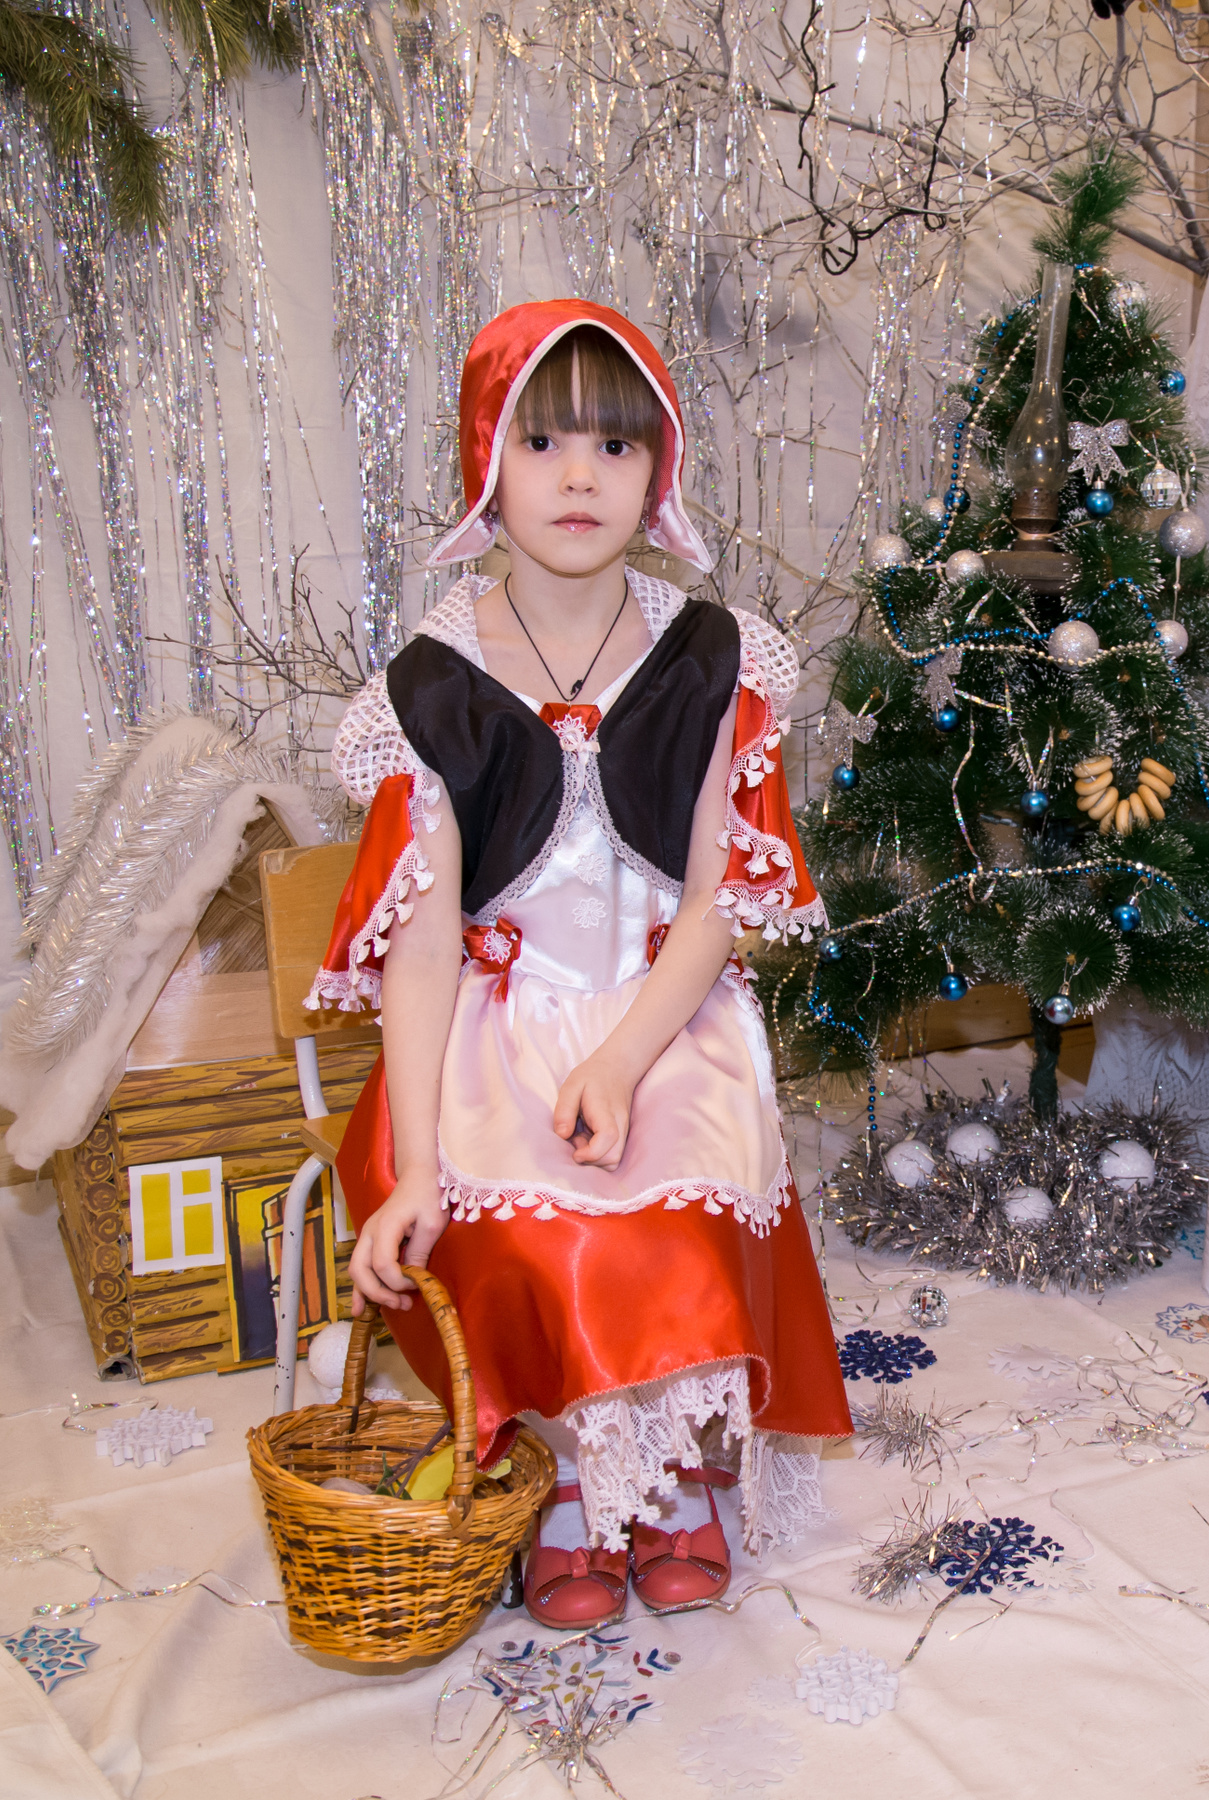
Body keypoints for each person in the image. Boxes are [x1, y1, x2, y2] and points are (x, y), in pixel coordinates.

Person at [308, 298, 851, 1628]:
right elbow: (421, 948)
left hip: (664, 1011)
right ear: (484, 458)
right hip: (501, 1019)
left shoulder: (714, 656)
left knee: (672, 1212)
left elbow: (719, 900)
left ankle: (663, 1479)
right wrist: (415, 1161)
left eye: (615, 446)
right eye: (541, 440)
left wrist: (620, 1058)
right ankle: (565, 1480)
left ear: (658, 472)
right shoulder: (430, 683)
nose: (577, 478)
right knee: (521, 1229)